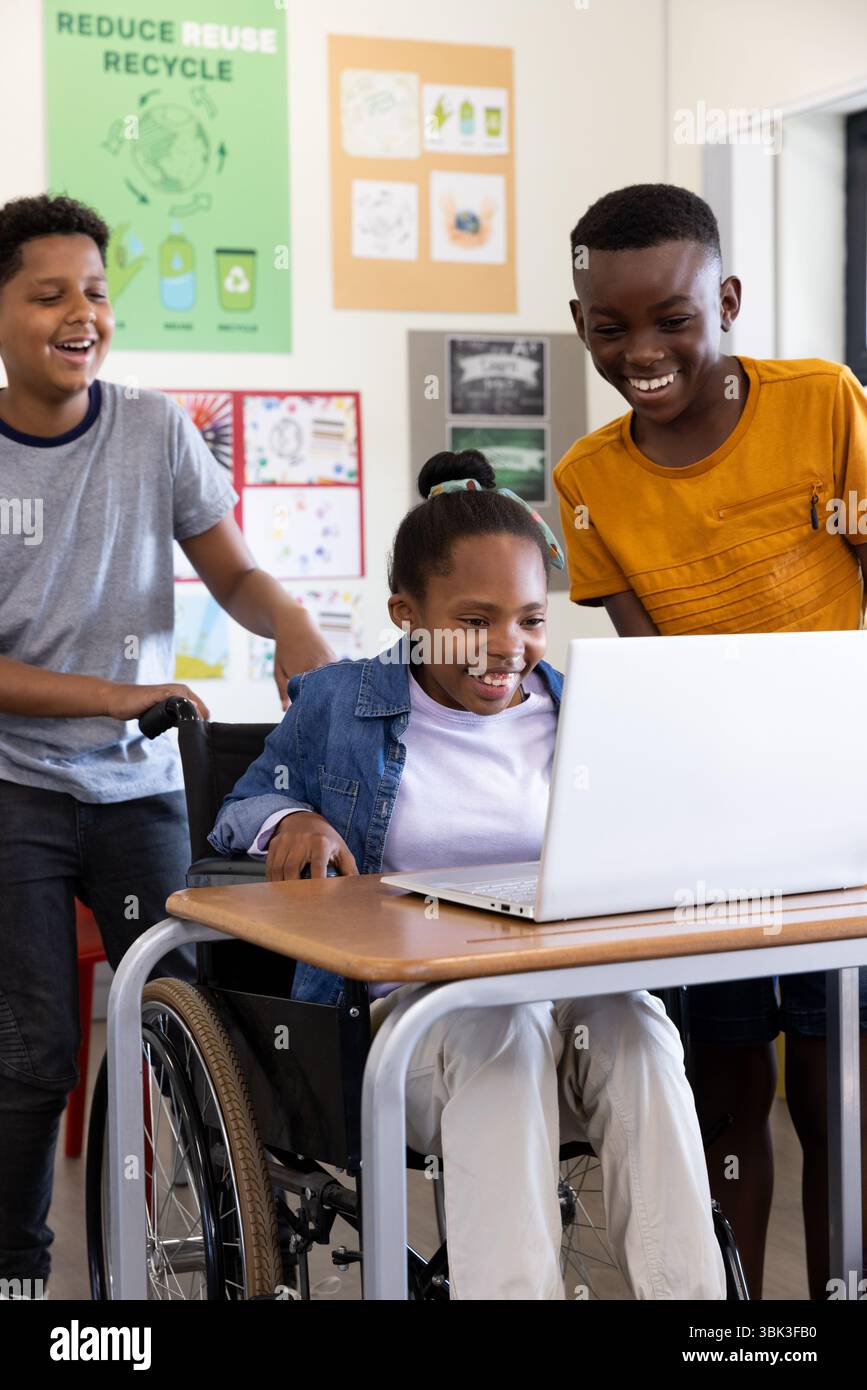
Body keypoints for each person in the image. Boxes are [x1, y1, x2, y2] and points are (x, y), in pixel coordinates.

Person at [210, 448, 727, 1300]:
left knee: (638, 1026)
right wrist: (289, 817)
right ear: (406, 614)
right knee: (501, 1029)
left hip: (570, 998)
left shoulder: (581, 712)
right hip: (408, 1022)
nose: (506, 649)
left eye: (529, 619)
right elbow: (243, 800)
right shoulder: (340, 699)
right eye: (474, 619)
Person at [0, 193, 334, 1293]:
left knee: (162, 1026)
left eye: (94, 291)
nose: (80, 312)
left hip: (138, 787)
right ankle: (17, 1271)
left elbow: (232, 570)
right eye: (49, 293)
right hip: (18, 790)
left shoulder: (153, 428)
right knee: (37, 1048)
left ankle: (158, 1272)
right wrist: (112, 691)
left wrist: (285, 617)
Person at [553, 181, 867, 1298]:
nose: (641, 349)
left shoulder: (822, 403)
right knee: (725, 1099)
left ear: (726, 300)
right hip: (714, 836)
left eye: (672, 318)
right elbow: (658, 677)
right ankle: (733, 1320)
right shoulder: (586, 483)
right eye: (609, 327)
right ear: (582, 323)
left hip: (843, 818)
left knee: (841, 1102)